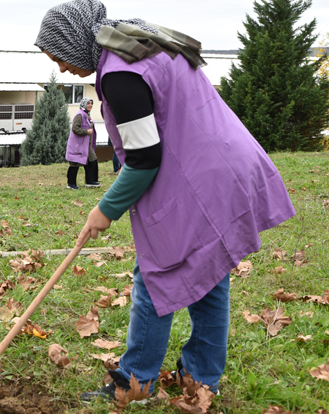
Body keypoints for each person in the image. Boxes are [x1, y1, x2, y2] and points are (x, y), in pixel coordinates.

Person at [35, 0, 295, 402]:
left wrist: (105, 209)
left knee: (154, 274)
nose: (62, 69)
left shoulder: (121, 74)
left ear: (73, 40)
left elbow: (143, 160)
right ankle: (200, 380)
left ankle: (136, 381)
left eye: (59, 57)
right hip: (221, 164)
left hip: (200, 178)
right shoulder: (141, 44)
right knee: (209, 275)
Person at [65, 97, 100, 189]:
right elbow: (75, 128)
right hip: (77, 144)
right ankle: (71, 184)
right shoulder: (79, 115)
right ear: (83, 104)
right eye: (88, 103)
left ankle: (90, 181)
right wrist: (86, 132)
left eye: (91, 103)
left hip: (86, 144)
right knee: (75, 163)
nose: (90, 105)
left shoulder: (87, 115)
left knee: (92, 160)